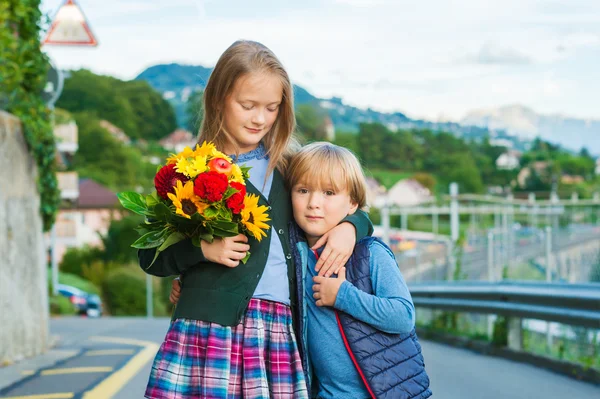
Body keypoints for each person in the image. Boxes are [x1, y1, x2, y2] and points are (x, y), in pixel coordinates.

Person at [139, 41, 373, 399]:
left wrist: (349, 229)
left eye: (271, 108)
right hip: (208, 329)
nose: (259, 118)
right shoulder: (187, 172)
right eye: (247, 106)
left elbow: (346, 204)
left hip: (276, 330)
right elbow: (150, 255)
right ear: (218, 99)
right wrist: (201, 250)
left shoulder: (289, 166)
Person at [171, 142, 432, 399]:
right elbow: (252, 277)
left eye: (329, 193)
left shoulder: (370, 254)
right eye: (303, 190)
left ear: (352, 203)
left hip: (381, 392)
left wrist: (343, 295)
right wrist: (196, 284)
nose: (314, 203)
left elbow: (403, 316)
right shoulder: (292, 256)